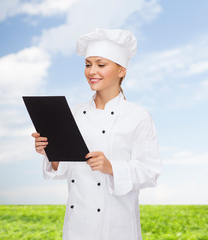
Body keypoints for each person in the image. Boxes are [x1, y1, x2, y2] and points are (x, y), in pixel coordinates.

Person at [32, 28, 162, 240]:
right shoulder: (73, 113)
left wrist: (111, 167)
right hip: (77, 227)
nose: (92, 71)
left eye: (101, 64)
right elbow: (65, 170)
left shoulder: (138, 116)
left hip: (117, 227)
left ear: (122, 70)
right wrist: (51, 151)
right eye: (88, 64)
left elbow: (150, 172)